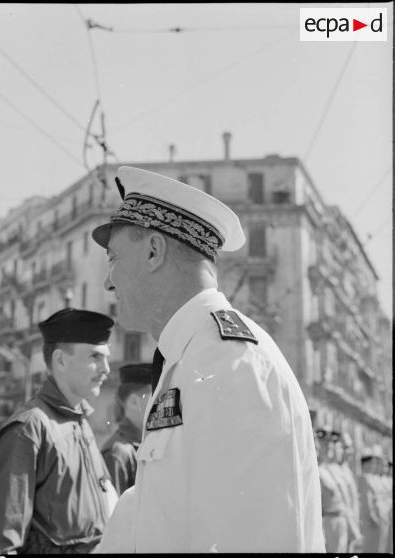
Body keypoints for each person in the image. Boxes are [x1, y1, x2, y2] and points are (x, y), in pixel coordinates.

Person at [90, 166, 325, 553]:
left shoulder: (229, 362)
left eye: (113, 258)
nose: (108, 282)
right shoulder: (193, 356)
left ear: (153, 251)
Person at [0, 307, 118, 554]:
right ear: (60, 360)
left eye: (106, 358)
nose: (106, 368)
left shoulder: (80, 423)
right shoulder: (30, 428)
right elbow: (2, 542)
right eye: (95, 357)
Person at [101, 363, 152, 494]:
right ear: (135, 402)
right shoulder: (117, 453)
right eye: (154, 397)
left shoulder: (146, 444)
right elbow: (113, 511)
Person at [316, 426, 353, 552]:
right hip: (328, 523)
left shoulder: (330, 469)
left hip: (340, 520)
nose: (329, 447)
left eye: (331, 444)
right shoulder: (316, 470)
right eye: (325, 444)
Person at [358, 447, 382, 552]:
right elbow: (367, 501)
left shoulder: (370, 478)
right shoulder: (365, 478)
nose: (374, 466)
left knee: (377, 546)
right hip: (370, 521)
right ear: (366, 464)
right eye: (372, 463)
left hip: (376, 519)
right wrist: (372, 517)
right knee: (370, 547)